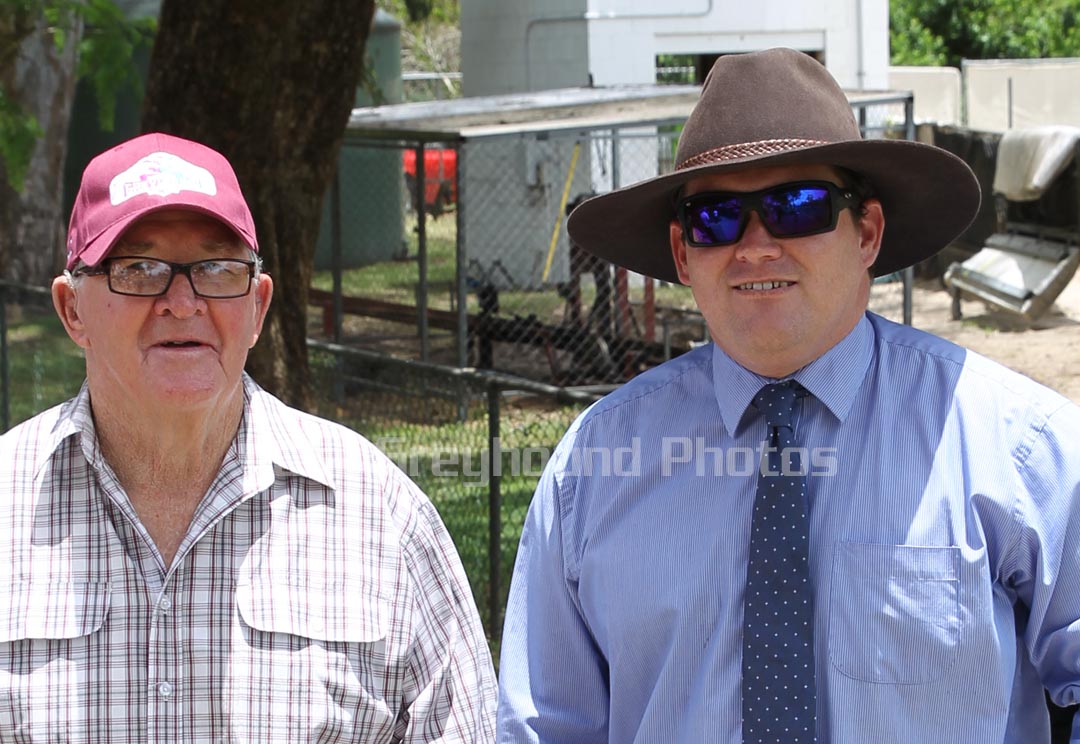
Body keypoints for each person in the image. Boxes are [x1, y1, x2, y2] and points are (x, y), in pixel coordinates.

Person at [496, 48, 1080, 743]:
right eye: (716, 218)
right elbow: (545, 725)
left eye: (796, 207)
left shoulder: (1015, 448)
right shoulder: (594, 469)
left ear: (867, 233)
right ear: (683, 254)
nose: (755, 245)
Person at [0, 132, 497, 742]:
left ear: (258, 306)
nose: (182, 302)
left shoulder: (380, 515)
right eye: (139, 269)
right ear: (72, 309)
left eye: (216, 269)